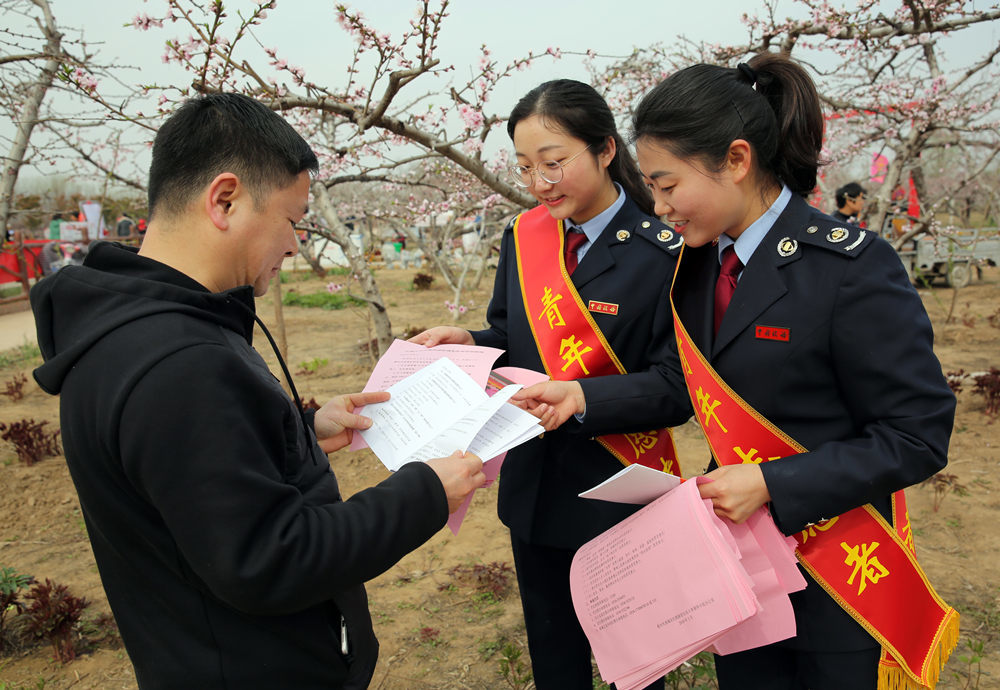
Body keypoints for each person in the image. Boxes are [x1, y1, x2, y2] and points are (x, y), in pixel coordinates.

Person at [30, 92, 486, 689]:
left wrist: (299, 431)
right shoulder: (181, 363)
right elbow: (270, 560)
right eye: (293, 219)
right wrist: (425, 492)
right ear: (225, 199)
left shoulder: (137, 326)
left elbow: (197, 474)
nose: (297, 243)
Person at [631, 53, 956, 689]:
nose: (660, 206)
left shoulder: (848, 268)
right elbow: (681, 383)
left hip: (838, 577)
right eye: (651, 188)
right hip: (743, 573)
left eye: (668, 185)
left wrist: (775, 483)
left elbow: (917, 434)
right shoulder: (695, 267)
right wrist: (574, 399)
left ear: (736, 159)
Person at [410, 79, 690, 688]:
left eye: (555, 162)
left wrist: (585, 398)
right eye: (526, 167)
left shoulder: (667, 251)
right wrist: (471, 344)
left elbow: (676, 387)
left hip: (619, 489)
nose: (540, 183)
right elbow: (508, 336)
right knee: (552, 653)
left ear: (606, 150)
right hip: (535, 485)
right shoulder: (525, 237)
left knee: (637, 661)